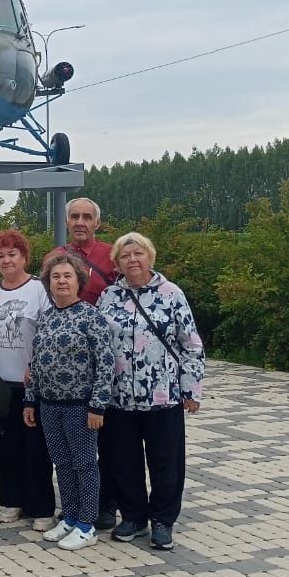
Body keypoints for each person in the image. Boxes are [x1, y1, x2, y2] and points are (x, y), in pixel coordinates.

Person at [97, 232, 205, 551]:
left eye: (138, 253)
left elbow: (192, 344)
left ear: (150, 257)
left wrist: (191, 388)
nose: (132, 259)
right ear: (116, 263)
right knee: (123, 462)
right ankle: (133, 516)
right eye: (125, 255)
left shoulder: (171, 294)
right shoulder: (108, 297)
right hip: (119, 399)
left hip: (163, 396)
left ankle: (162, 520)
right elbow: (100, 346)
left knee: (165, 462)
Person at [24, 253, 114, 551]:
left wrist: (97, 406)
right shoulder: (47, 316)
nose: (61, 281)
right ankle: (71, 516)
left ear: (78, 281)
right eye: (55, 277)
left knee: (85, 464)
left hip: (81, 406)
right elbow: (35, 362)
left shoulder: (91, 316)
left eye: (67, 276)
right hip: (49, 405)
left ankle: (87, 524)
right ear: (48, 283)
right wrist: (29, 401)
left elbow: (105, 363)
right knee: (61, 463)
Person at [45, 197, 119, 531]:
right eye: (74, 216)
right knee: (67, 456)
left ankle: (100, 510)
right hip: (59, 378)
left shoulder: (110, 256)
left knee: (97, 452)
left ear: (97, 223)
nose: (80, 222)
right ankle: (72, 512)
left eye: (87, 217)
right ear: (66, 220)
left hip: (94, 372)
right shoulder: (53, 257)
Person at [0, 229, 55, 531]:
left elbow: (51, 333)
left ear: (24, 256)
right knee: (7, 446)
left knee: (35, 448)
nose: (6, 260)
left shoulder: (39, 290)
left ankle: (41, 507)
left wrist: (37, 368)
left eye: (12, 254)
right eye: (0, 255)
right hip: (0, 383)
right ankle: (10, 500)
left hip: (30, 383)